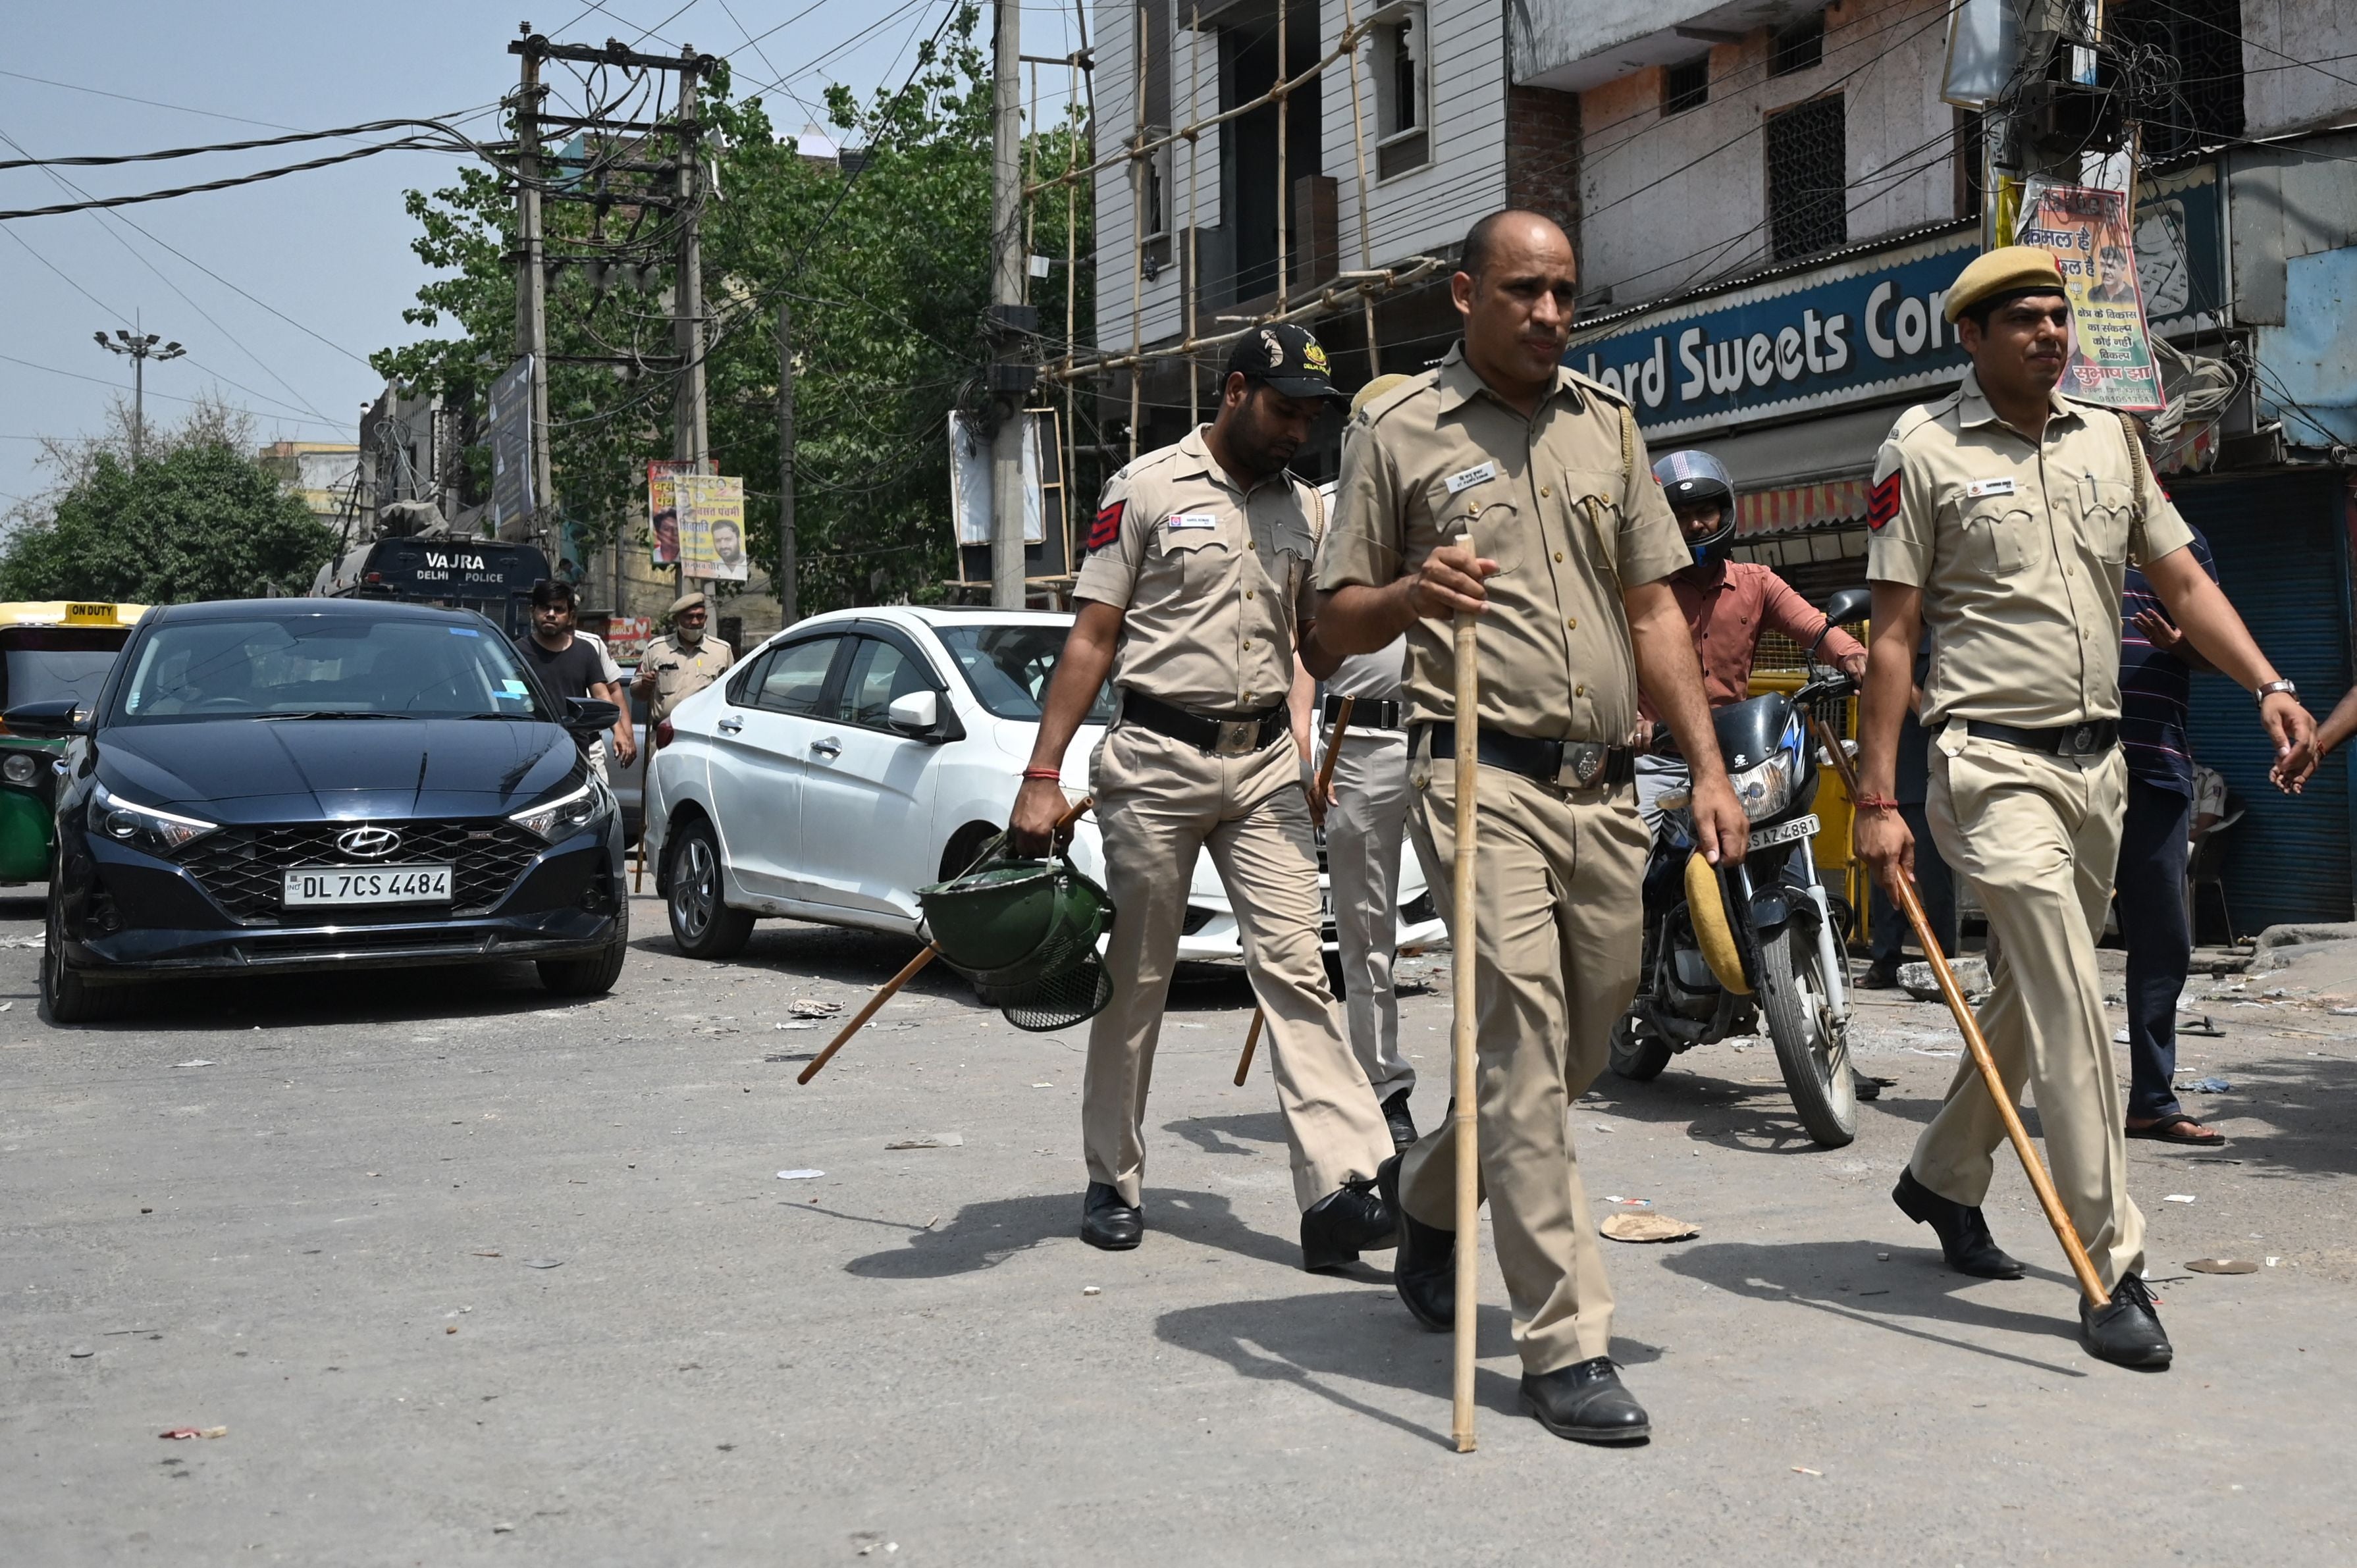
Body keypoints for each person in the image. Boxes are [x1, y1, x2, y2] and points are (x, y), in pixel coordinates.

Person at [1315, 209, 1748, 1445]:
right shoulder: (1397, 430)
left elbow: (1656, 610)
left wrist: (1706, 770)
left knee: (1583, 1043)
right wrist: (1407, 594)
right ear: (1465, 294)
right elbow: (1329, 621)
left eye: (1566, 292)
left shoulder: (1609, 424)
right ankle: (1566, 1340)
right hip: (1477, 777)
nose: (1552, 314)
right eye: (1524, 291)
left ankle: (1433, 1191)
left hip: (1606, 788)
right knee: (1520, 1039)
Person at [1852, 246, 2314, 1372]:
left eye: (2061, 317)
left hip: (2101, 767)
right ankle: (2112, 1263)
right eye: (2025, 319)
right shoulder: (1922, 450)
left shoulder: (2111, 436)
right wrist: (1878, 795)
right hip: (1988, 763)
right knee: (2067, 995)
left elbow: (2184, 580)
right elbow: (1896, 634)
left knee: (2025, 994)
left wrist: (2271, 683)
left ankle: (1942, 1174)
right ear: (1973, 336)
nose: (2053, 334)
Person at [1007, 323, 1399, 1274]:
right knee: (1139, 976)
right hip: (1155, 761)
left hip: (1264, 764)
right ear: (1233, 393)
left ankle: (1342, 1187)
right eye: (1283, 410)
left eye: (1311, 416)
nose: (1298, 431)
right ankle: (1114, 1174)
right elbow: (1094, 640)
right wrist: (1041, 774)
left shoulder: (1307, 510)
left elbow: (1316, 643)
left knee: (1299, 971)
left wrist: (1393, 606)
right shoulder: (1142, 489)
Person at [1629, 448, 1867, 835]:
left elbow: (1814, 626)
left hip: (1740, 761)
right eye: (1681, 517)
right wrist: (1633, 722)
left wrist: (1853, 655)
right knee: (1633, 864)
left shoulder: (1757, 582)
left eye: (1705, 512)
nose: (1696, 527)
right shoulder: (1642, 596)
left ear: (1725, 511)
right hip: (1659, 759)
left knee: (1786, 840)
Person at [2115, 529, 2227, 1147]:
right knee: (2046, 943)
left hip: (2157, 765)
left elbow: (2219, 654)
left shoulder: (2186, 547)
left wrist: (2183, 646)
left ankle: (2153, 1101)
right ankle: (2027, 1097)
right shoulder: (2057, 516)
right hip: (2059, 768)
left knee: (2164, 941)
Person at [1861, 636, 1958, 989]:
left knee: (1933, 881)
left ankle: (1946, 964)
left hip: (1925, 782)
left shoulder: (1940, 653)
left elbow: (1934, 715)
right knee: (1885, 880)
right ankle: (1885, 964)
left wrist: (1898, 681)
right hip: (1888, 787)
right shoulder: (1881, 651)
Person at [514, 579, 637, 781]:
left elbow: (602, 695)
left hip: (580, 753)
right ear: (532, 611)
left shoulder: (585, 651)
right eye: (545, 608)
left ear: (570, 616)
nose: (551, 614)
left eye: (559, 609)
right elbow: (508, 700)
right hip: (532, 757)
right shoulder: (517, 652)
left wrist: (619, 731)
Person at [633, 590, 737, 728]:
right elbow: (636, 693)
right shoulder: (656, 649)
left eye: (700, 617)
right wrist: (644, 685)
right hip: (664, 735)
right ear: (677, 620)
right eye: (689, 617)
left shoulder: (722, 650)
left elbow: (733, 695)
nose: (695, 622)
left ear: (705, 618)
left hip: (704, 733)